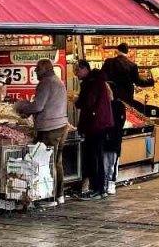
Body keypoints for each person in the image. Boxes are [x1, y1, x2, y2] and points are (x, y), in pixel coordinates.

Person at [102, 43, 156, 192]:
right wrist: (152, 81)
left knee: (109, 136)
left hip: (109, 102)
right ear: (128, 52)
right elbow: (139, 82)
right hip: (124, 103)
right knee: (119, 131)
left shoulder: (108, 63)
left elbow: (102, 78)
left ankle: (107, 178)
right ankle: (113, 177)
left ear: (116, 51)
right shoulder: (132, 65)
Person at [16, 59, 71, 200]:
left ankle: (49, 196)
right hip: (61, 126)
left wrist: (22, 107)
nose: (35, 72)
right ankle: (59, 195)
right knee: (57, 162)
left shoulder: (46, 83)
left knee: (47, 162)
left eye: (37, 70)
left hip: (50, 128)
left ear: (44, 69)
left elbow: (38, 106)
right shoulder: (58, 81)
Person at [73, 59, 113, 199]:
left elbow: (88, 102)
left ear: (85, 69)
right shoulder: (97, 81)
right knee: (97, 156)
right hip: (100, 124)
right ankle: (99, 188)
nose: (76, 74)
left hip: (94, 124)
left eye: (77, 70)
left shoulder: (91, 83)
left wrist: (77, 101)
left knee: (94, 157)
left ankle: (97, 189)